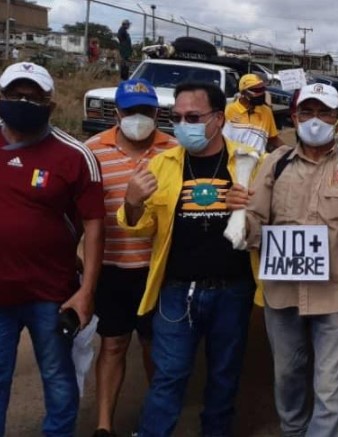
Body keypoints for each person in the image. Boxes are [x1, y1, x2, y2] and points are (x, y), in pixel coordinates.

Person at [243, 83, 338, 436]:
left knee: (329, 387)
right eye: (307, 112)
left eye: (324, 112)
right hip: (283, 291)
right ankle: (293, 431)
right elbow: (253, 225)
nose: (314, 120)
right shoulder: (274, 165)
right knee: (287, 376)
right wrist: (236, 213)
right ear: (294, 117)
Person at [119, 82, 259, 437]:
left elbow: (269, 224)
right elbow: (141, 228)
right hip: (177, 293)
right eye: (177, 118)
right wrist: (132, 203)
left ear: (219, 118)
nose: (184, 125)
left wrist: (253, 212)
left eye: (193, 117)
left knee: (224, 379)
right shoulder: (161, 165)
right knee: (168, 376)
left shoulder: (251, 162)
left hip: (233, 291)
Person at [0, 62, 104, 436]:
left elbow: (95, 225)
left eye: (34, 97)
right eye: (15, 95)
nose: (23, 102)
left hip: (51, 295)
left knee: (59, 383)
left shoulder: (75, 155)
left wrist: (86, 292)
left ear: (52, 104)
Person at [84, 79, 177, 437]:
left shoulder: (173, 149)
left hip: (159, 269)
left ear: (157, 113)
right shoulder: (93, 151)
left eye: (146, 111)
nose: (138, 117)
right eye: (130, 110)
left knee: (156, 348)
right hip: (113, 267)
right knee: (113, 344)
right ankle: (104, 425)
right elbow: (83, 214)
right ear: (118, 113)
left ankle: (154, 421)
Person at [224, 73, 283, 153]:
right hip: (234, 162)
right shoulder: (229, 110)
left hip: (259, 162)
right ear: (244, 93)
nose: (261, 93)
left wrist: (290, 152)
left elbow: (273, 139)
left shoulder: (266, 112)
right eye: (257, 90)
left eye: (262, 89)